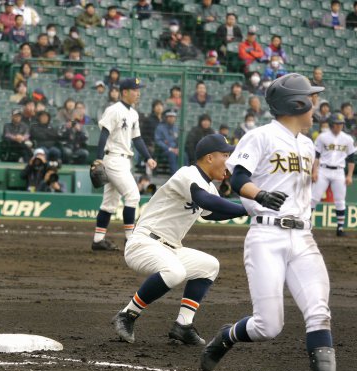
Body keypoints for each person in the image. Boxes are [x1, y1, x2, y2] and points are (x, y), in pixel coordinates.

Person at [200, 73, 356, 371]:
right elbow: (238, 178)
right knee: (268, 325)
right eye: (310, 99)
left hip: (302, 236)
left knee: (318, 311)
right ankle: (226, 336)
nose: (315, 106)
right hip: (266, 235)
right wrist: (260, 193)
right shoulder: (260, 136)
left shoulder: (306, 143)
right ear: (295, 103)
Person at [111, 134, 247, 345]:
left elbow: (213, 212)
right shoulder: (188, 173)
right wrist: (247, 208)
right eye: (225, 155)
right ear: (209, 158)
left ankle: (183, 325)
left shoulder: (209, 186)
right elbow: (203, 200)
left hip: (170, 248)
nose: (228, 161)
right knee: (175, 272)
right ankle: (127, 314)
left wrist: (248, 210)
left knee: (209, 266)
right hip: (144, 243)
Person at [91, 78, 157, 251]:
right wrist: (98, 159)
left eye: (138, 90)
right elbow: (104, 134)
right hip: (112, 159)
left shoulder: (133, 113)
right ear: (125, 92)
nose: (138, 93)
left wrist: (148, 157)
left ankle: (98, 240)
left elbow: (137, 139)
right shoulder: (113, 110)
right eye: (135, 90)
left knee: (109, 203)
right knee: (133, 195)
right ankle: (131, 239)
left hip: (123, 160)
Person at [310, 113, 357, 237]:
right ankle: (306, 224)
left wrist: (350, 175)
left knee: (340, 201)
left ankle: (340, 228)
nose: (339, 126)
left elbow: (351, 158)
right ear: (331, 124)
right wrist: (314, 171)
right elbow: (316, 156)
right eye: (337, 123)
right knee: (314, 198)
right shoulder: (322, 137)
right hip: (323, 170)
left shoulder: (347, 139)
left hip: (339, 171)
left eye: (341, 123)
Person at [154, 109, 180, 175]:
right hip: (163, 151)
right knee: (172, 154)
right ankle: (175, 176)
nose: (171, 118)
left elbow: (179, 141)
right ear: (166, 118)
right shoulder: (160, 128)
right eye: (170, 117)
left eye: (173, 117)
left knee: (184, 155)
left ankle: (185, 176)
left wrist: (178, 149)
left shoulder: (176, 128)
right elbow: (158, 141)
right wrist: (169, 149)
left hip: (175, 150)